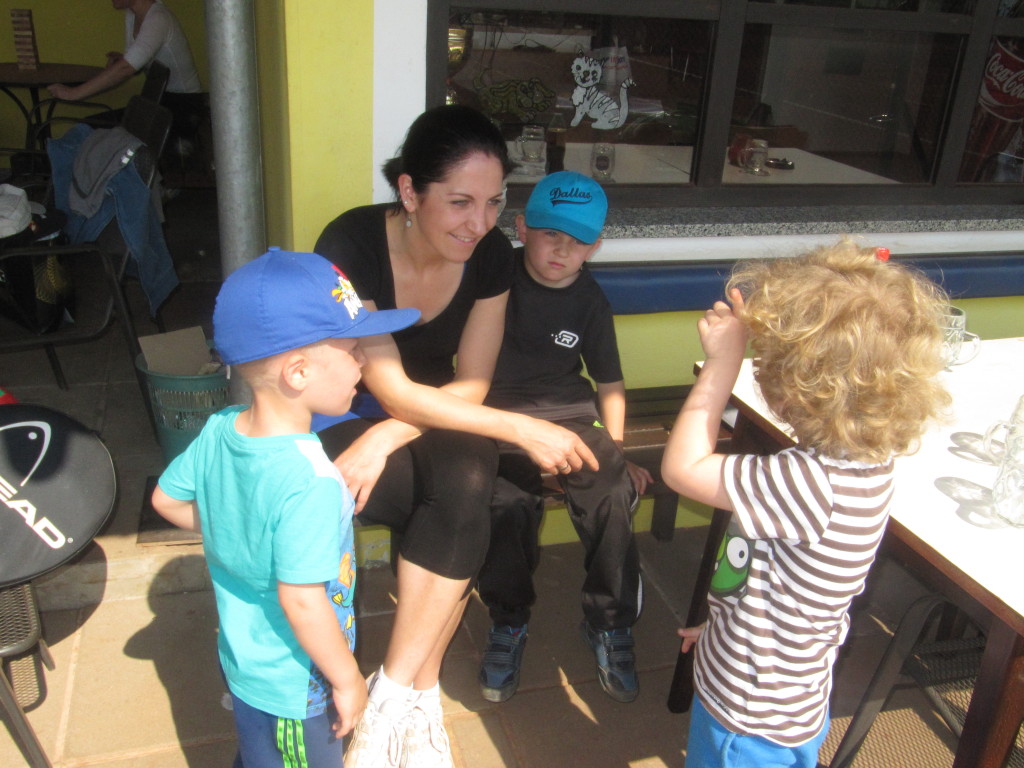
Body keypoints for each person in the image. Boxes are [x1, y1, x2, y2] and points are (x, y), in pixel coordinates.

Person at [313, 105, 598, 768]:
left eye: (494, 203)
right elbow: (387, 385)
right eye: (461, 202)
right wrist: (519, 427)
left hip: (436, 413)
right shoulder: (350, 244)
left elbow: (471, 382)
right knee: (457, 499)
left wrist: (389, 438)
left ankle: (393, 699)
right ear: (410, 191)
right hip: (343, 411)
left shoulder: (490, 255)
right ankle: (419, 696)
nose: (480, 223)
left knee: (467, 478)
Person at [660, 241, 951, 766]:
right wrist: (724, 625)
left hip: (746, 718)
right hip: (787, 697)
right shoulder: (866, 464)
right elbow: (791, 588)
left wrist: (722, 364)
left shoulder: (808, 482)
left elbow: (682, 468)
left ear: (793, 388)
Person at [150, 248, 419, 767]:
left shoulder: (219, 429)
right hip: (298, 683)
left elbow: (166, 499)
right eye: (352, 349)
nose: (364, 361)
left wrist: (236, 536)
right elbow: (302, 602)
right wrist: (347, 680)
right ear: (297, 372)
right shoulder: (312, 480)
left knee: (260, 752)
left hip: (243, 658)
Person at [474, 170, 653, 705]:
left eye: (578, 241)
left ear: (594, 246)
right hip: (499, 419)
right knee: (505, 503)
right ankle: (508, 620)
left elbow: (610, 383)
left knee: (613, 493)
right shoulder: (493, 275)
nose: (562, 250)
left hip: (572, 416)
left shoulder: (590, 300)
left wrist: (617, 454)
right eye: (551, 233)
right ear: (522, 228)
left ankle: (609, 622)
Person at [47, 0, 204, 149]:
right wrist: (121, 61)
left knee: (89, 132)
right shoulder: (132, 14)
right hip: (157, 103)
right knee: (87, 129)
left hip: (181, 109)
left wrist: (73, 93)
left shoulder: (159, 18)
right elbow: (132, 64)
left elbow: (126, 69)